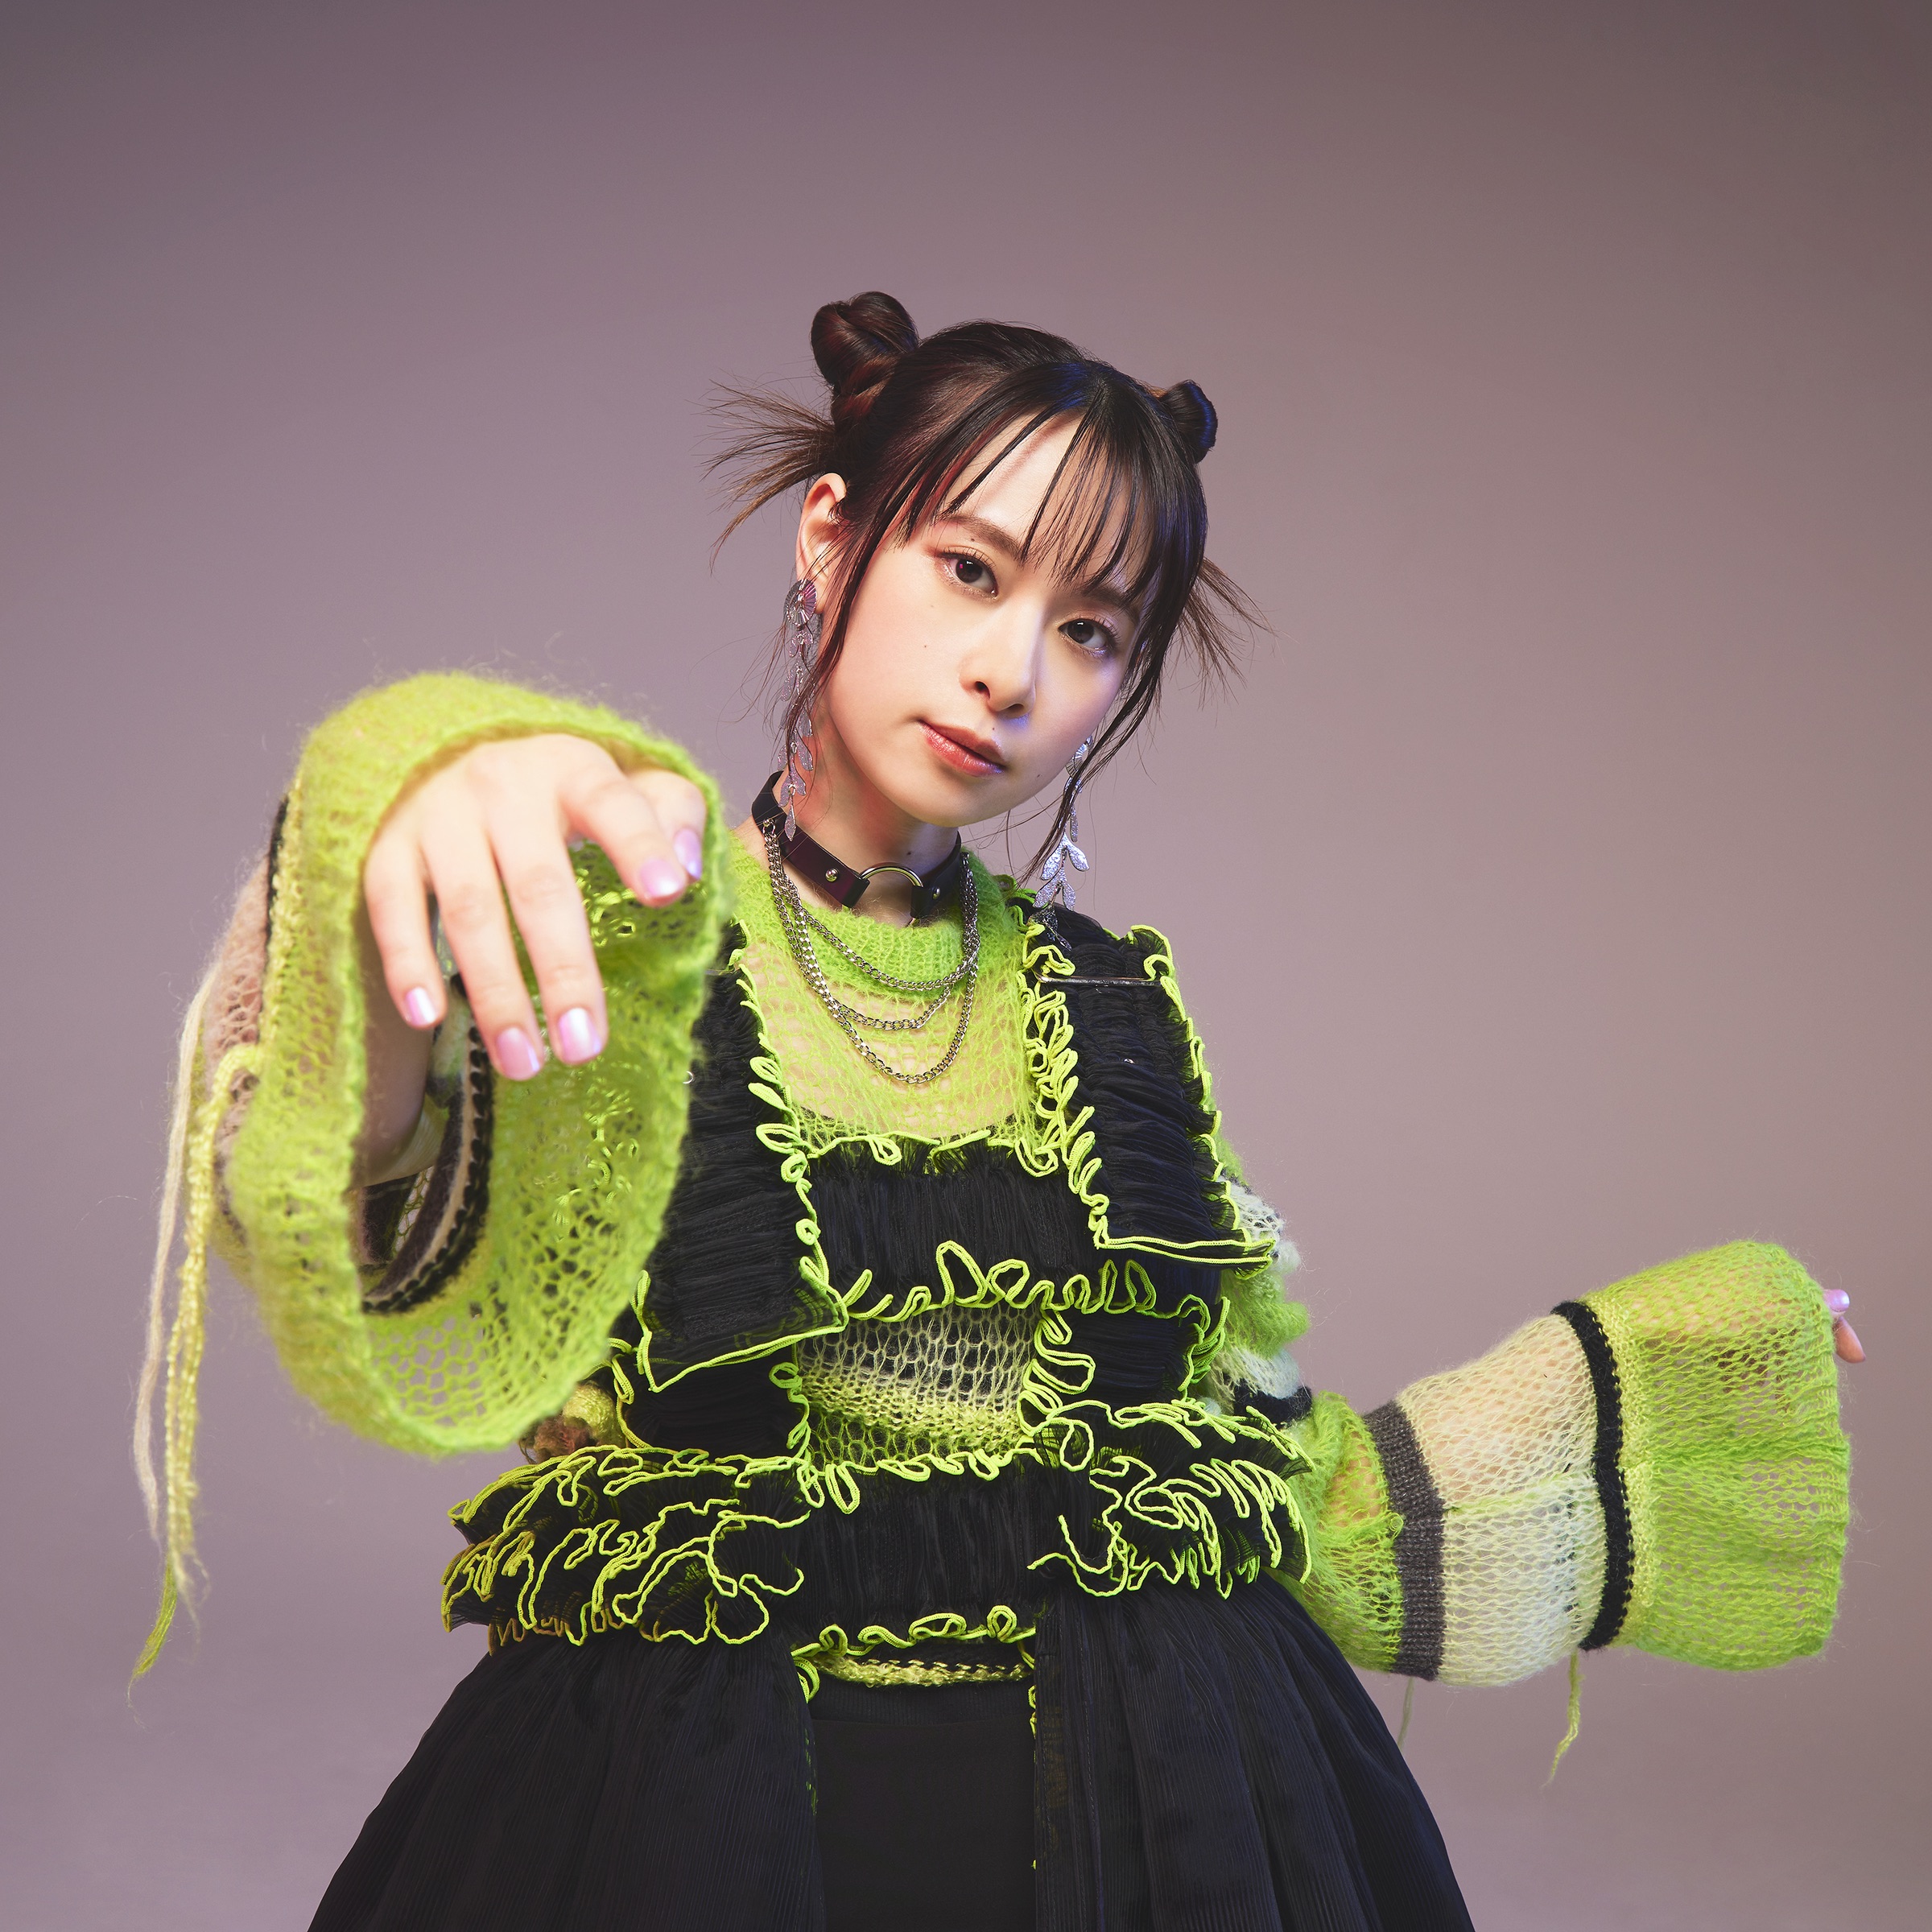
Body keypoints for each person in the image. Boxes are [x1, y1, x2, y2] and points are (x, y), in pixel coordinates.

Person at [135, 292, 1858, 1932]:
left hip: (1150, 1802)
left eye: (1090, 629)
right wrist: (395, 807)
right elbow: (348, 1215)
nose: (1012, 668)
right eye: (969, 569)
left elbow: (1265, 1477)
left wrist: (1642, 1385)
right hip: (701, 1799)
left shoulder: (1110, 1012)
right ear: (832, 542)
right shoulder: (621, 940)